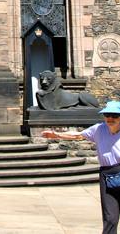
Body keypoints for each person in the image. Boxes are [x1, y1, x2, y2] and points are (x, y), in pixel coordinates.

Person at [42, 100, 120, 234]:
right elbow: (78, 135)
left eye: (114, 116)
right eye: (107, 115)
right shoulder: (99, 129)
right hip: (107, 176)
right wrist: (57, 135)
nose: (110, 119)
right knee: (110, 218)